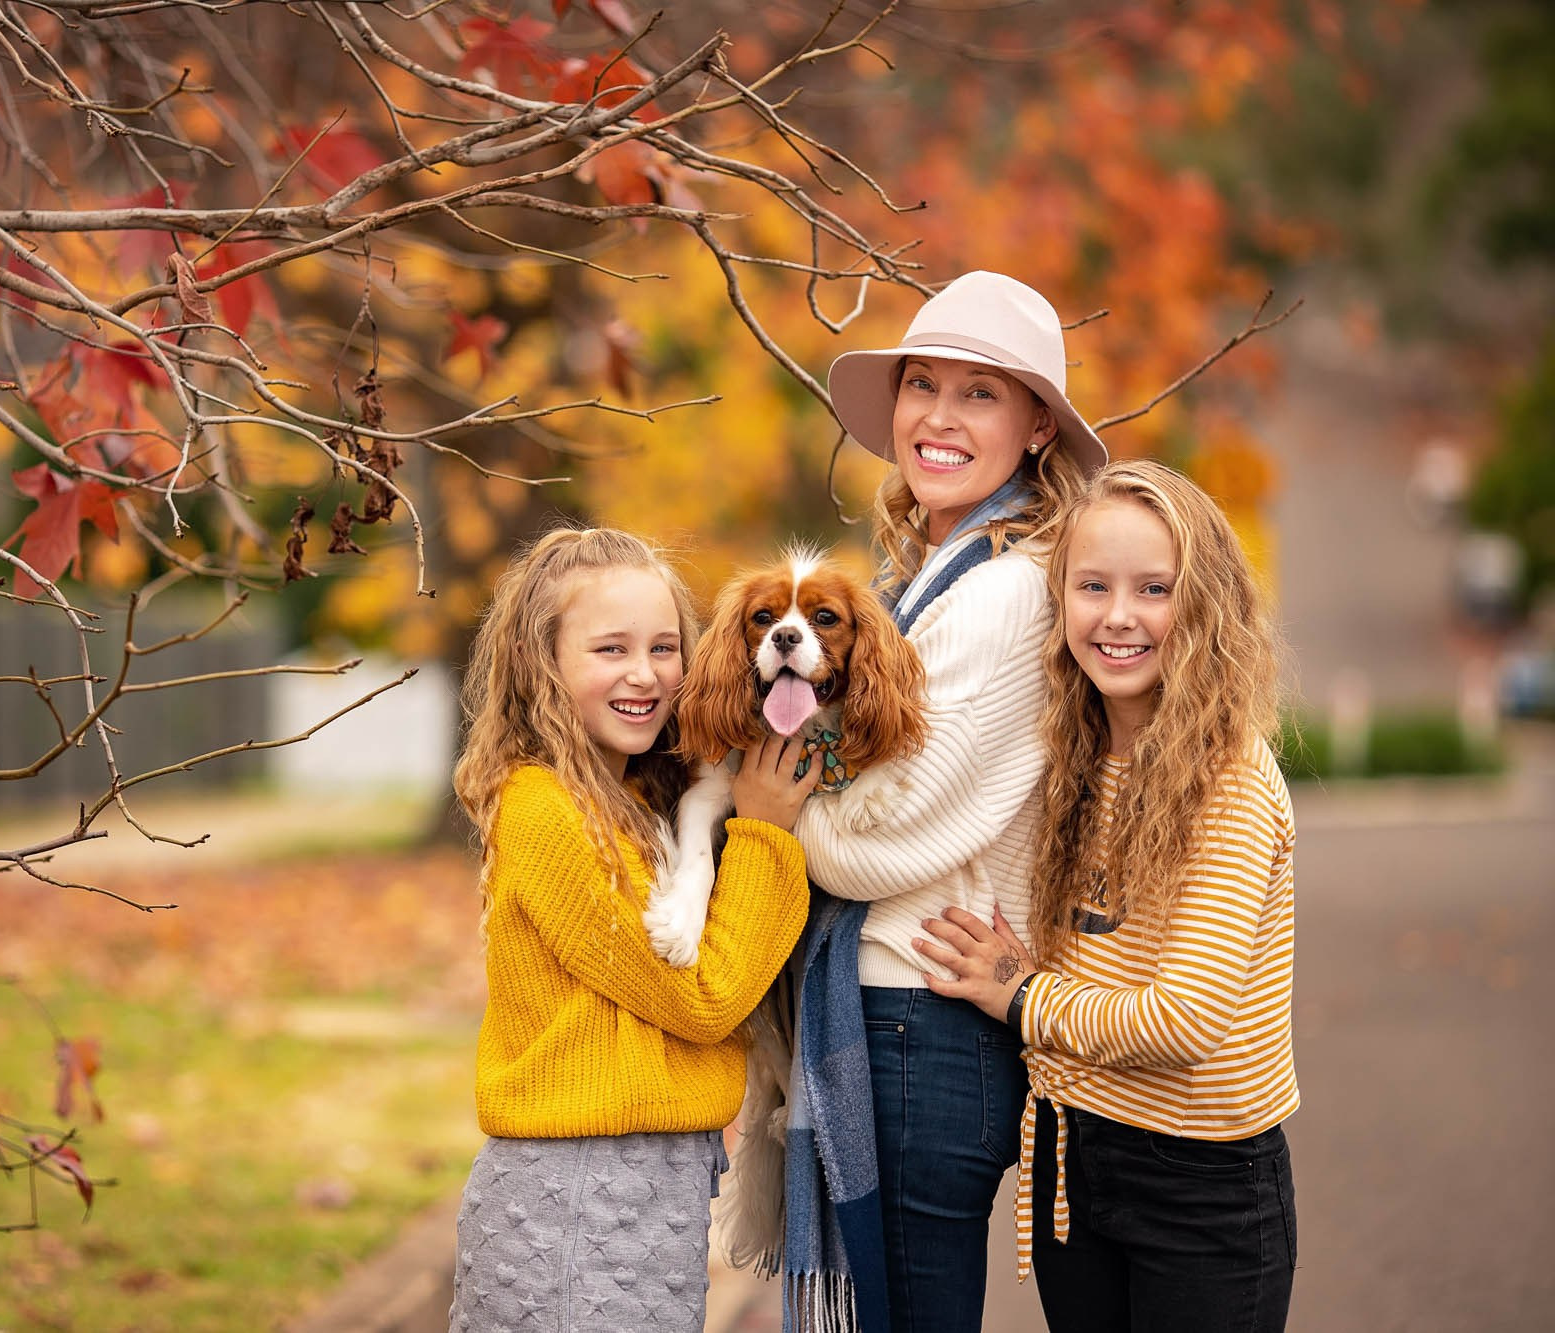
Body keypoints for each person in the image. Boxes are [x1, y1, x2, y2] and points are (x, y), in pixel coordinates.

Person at [719, 270, 1109, 1333]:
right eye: (921, 384)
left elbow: (872, 842)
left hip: (914, 1020)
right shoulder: (930, 574)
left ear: (1036, 426)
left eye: (979, 394)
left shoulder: (1002, 589)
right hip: (894, 1017)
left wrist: (768, 811)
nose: (938, 416)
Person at [916, 460, 1299, 1332]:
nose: (1118, 615)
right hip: (1072, 1161)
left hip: (1203, 1190)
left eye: (1154, 588)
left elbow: (1183, 1022)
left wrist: (1022, 997)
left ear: (1204, 606)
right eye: (1093, 586)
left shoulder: (1229, 780)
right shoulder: (1071, 761)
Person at [448, 525, 818, 1333]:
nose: (645, 674)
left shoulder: (642, 805)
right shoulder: (543, 809)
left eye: (663, 647)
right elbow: (705, 997)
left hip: (656, 1186)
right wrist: (766, 833)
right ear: (541, 665)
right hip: (575, 1197)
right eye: (610, 649)